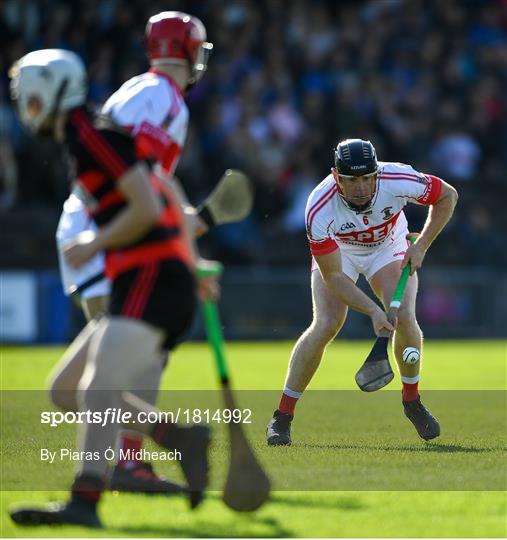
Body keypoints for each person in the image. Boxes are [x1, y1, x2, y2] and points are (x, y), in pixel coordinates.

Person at [8, 48, 215, 528]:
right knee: (66, 389)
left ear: (56, 88)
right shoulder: (90, 136)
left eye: (32, 95)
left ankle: (85, 502)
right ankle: (180, 438)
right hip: (149, 272)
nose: (27, 106)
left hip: (152, 273)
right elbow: (166, 188)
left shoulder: (91, 137)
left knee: (100, 387)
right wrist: (195, 259)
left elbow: (145, 206)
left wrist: (94, 240)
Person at [51, 11, 218, 496]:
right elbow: (142, 174)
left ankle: (126, 464)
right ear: (188, 50)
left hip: (98, 225)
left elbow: (148, 177)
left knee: (122, 364)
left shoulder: (137, 90)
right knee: (122, 364)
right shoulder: (165, 99)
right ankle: (132, 461)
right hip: (108, 229)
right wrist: (178, 243)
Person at [266, 139, 458, 446]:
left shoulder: (397, 178)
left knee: (405, 317)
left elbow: (448, 195)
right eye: (351, 180)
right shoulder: (319, 206)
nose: (360, 187)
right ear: (336, 176)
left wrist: (420, 245)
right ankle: (282, 416)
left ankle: (412, 401)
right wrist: (372, 310)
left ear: (377, 173)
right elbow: (333, 277)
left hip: (389, 246)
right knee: (327, 323)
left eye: (367, 178)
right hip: (340, 254)